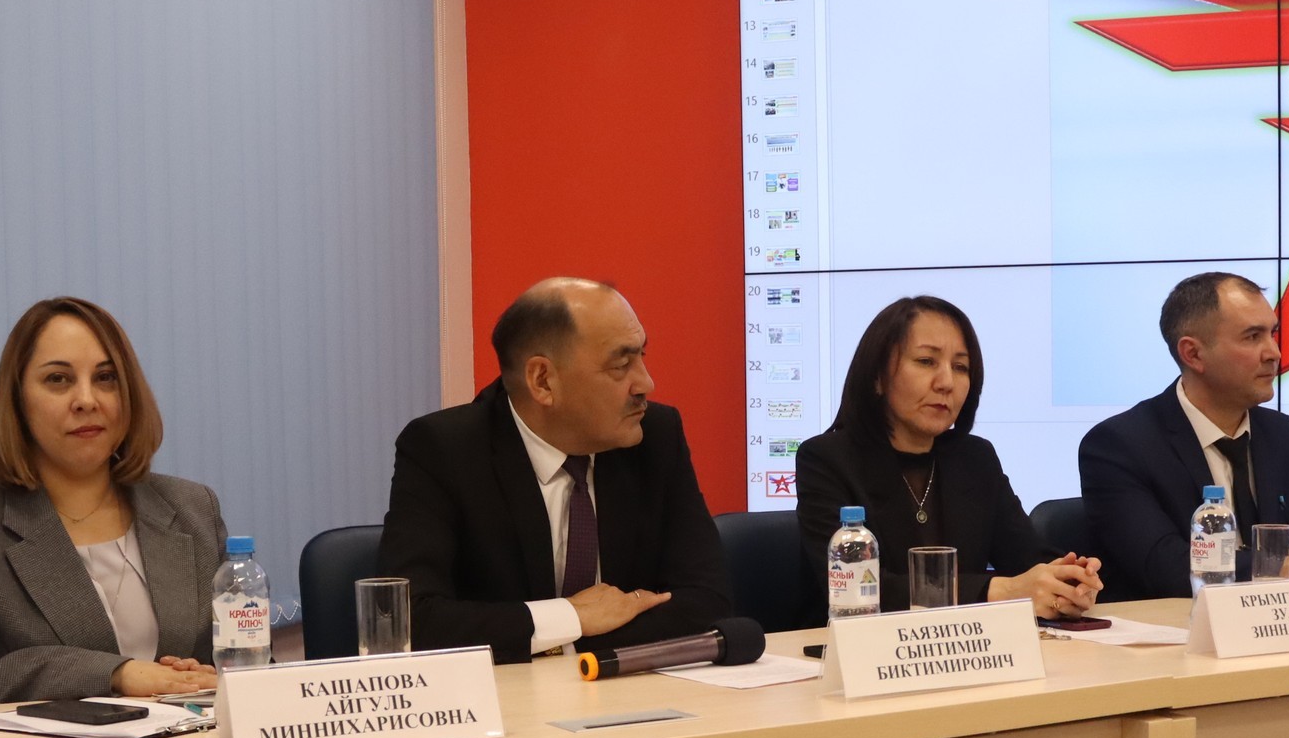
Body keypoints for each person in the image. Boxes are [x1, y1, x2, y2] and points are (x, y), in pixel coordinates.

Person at [377, 276, 730, 663]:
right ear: (543, 380)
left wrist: (560, 642)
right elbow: (409, 621)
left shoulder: (655, 437)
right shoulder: (444, 450)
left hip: (624, 689)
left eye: (642, 356)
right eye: (621, 365)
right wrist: (571, 618)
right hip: (503, 694)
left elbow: (708, 602)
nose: (646, 383)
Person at [0, 298, 226, 708]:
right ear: (18, 399)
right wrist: (116, 675)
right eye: (58, 379)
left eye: (106, 378)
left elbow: (250, 663)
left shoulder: (194, 508)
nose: (86, 400)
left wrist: (216, 677)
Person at [1079, 271, 1289, 602]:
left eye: (1273, 333)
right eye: (1252, 337)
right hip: (1171, 631)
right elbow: (1166, 568)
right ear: (1193, 354)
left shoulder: (1281, 434)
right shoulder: (1120, 445)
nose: (1274, 353)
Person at [795, 295, 1103, 615]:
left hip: (967, 642)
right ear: (877, 377)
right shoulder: (826, 460)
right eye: (926, 361)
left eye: (960, 367)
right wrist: (1000, 590)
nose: (946, 383)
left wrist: (1069, 578)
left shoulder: (974, 458)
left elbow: (1025, 557)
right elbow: (859, 590)